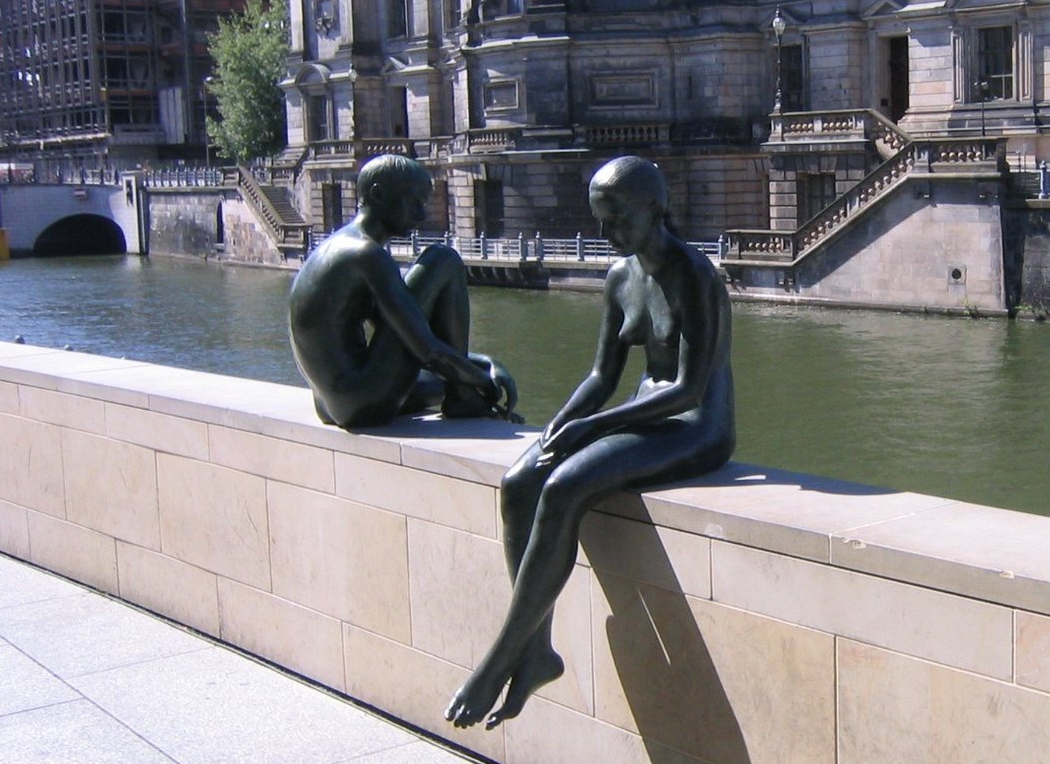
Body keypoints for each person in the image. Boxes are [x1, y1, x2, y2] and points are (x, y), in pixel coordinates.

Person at [446, 156, 735, 729]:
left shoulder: (696, 276)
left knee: (565, 487)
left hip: (696, 426)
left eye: (618, 221)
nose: (608, 236)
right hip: (644, 415)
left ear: (656, 210)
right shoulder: (621, 278)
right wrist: (563, 423)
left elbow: (689, 389)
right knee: (520, 481)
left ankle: (500, 657)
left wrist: (594, 428)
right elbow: (602, 377)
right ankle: (538, 650)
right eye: (600, 221)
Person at [287, 153, 517, 429]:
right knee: (444, 259)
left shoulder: (339, 245)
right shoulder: (367, 255)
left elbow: (403, 334)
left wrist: (484, 363)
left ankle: (461, 393)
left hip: (331, 403)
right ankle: (463, 398)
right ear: (379, 194)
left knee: (438, 382)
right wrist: (484, 381)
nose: (421, 215)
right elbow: (428, 351)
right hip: (362, 402)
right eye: (415, 202)